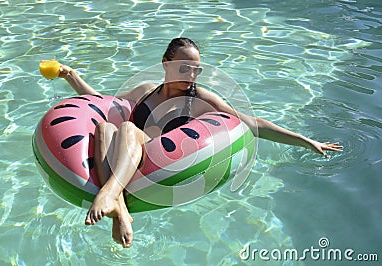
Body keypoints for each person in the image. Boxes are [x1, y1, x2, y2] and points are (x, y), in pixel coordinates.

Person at [58, 37, 343, 248]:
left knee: (128, 130)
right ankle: (120, 211)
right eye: (185, 69)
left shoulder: (200, 99)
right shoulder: (146, 91)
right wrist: (72, 77)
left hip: (158, 164)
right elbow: (102, 101)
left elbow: (252, 123)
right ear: (166, 63)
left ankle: (110, 194)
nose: (191, 76)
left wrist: (306, 141)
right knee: (107, 126)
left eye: (197, 70)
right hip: (126, 156)